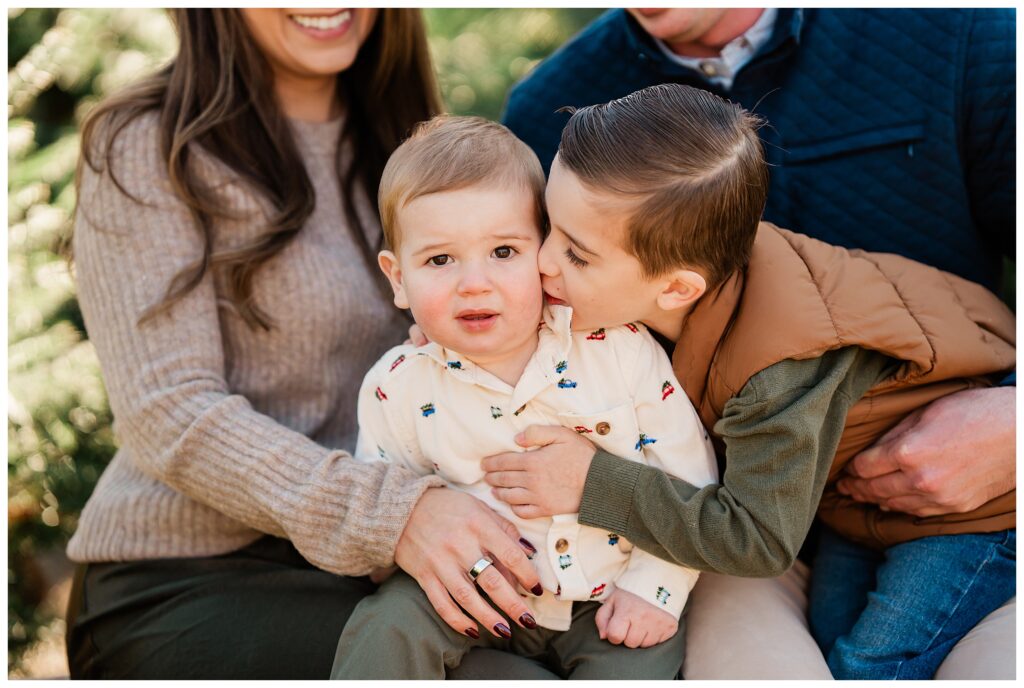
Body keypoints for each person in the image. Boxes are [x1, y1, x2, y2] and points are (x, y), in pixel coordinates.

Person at [499, 8, 1016, 679]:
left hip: (975, 506)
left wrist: (592, 481)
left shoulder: (962, 35)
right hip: (830, 500)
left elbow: (754, 534)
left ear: (680, 287)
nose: (540, 265)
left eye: (574, 253)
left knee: (871, 666)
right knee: (830, 639)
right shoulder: (553, 110)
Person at [63, 9, 546, 679]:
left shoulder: (408, 146)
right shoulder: (148, 144)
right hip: (185, 575)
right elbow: (166, 407)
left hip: (368, 569)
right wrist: (394, 516)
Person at [329, 115, 718, 679]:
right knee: (386, 625)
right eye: (440, 260)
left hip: (608, 596)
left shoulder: (617, 349)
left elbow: (687, 473)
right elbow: (385, 500)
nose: (474, 283)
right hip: (473, 592)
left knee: (638, 663)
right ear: (397, 278)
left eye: (504, 252)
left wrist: (655, 588)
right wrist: (396, 564)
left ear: (545, 251)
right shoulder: (398, 385)